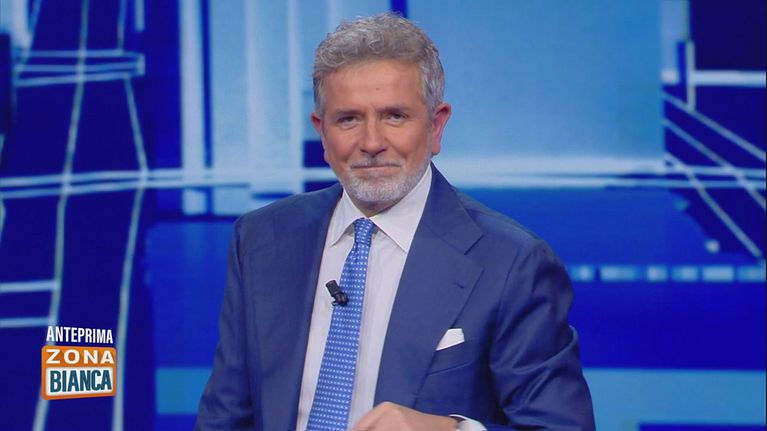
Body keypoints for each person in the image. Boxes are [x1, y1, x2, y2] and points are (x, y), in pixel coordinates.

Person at [196, 13, 595, 431]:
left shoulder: (512, 263)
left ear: (436, 126)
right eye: (348, 119)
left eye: (395, 117)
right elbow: (224, 418)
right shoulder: (262, 239)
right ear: (322, 133)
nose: (371, 142)